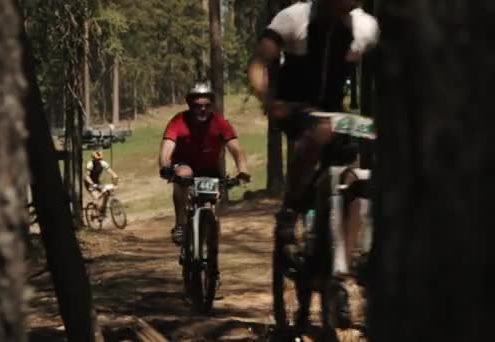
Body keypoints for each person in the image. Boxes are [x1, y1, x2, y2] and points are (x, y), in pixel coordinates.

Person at [248, 0, 379, 270]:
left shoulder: (365, 27)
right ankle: (291, 209)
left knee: (355, 175)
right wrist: (268, 101)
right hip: (293, 104)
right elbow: (260, 63)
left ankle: (343, 261)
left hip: (333, 110)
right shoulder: (295, 18)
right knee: (313, 137)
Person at [158, 82, 251, 245]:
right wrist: (165, 166)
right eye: (197, 106)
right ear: (189, 105)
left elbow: (236, 149)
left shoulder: (220, 122)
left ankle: (211, 244)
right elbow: (166, 148)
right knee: (182, 175)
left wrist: (242, 171)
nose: (203, 110)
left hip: (209, 169)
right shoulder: (179, 120)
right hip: (184, 165)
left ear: (212, 106)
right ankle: (180, 224)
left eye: (207, 106)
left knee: (215, 202)